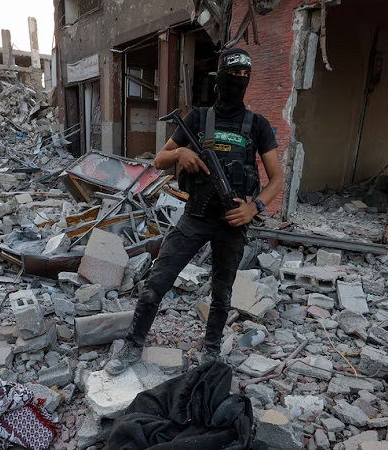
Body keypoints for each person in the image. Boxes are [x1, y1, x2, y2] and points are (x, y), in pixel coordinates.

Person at [104, 47, 284, 375]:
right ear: (220, 77)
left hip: (232, 221)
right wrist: (181, 153)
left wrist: (254, 207)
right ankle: (133, 345)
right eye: (233, 74)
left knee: (222, 292)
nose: (239, 80)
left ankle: (211, 349)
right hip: (195, 217)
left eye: (245, 75)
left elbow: (277, 179)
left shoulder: (257, 124)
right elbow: (160, 159)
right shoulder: (198, 118)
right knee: (157, 282)